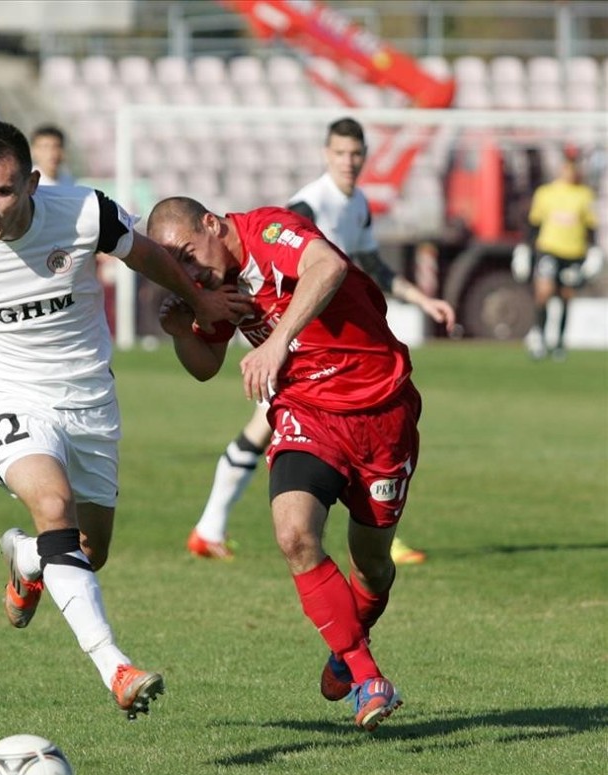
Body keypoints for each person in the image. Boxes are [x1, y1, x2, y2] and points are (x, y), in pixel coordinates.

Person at [0, 120, 252, 720]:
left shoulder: (84, 213)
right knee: (53, 506)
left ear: (32, 181)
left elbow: (146, 254)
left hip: (85, 396)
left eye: (0, 191)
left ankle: (27, 559)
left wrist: (201, 299)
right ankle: (115, 666)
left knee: (87, 552)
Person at [148, 196, 422, 731]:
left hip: (381, 410)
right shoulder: (210, 283)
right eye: (173, 266)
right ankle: (369, 678)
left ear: (212, 223)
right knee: (295, 535)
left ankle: (346, 650)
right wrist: (184, 330)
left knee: (371, 564)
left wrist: (276, 341)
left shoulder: (270, 231)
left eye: (186, 254)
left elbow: (330, 266)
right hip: (305, 413)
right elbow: (205, 367)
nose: (186, 272)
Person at [186, 117, 456, 567]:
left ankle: (210, 528)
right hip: (295, 347)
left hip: (332, 352)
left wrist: (421, 299)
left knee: (264, 431)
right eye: (340, 154)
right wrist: (276, 341)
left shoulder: (359, 204)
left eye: (356, 154)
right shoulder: (307, 206)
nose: (348, 162)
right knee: (283, 432)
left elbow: (372, 264)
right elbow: (283, 272)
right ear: (326, 155)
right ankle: (212, 526)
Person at [512, 148, 603, 361]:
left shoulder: (584, 195)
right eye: (567, 167)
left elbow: (591, 227)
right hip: (549, 249)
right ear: (561, 168)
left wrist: (594, 251)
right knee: (544, 292)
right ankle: (539, 337)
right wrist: (525, 248)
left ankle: (559, 343)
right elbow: (534, 224)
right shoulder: (546, 193)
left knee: (566, 296)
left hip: (573, 252)